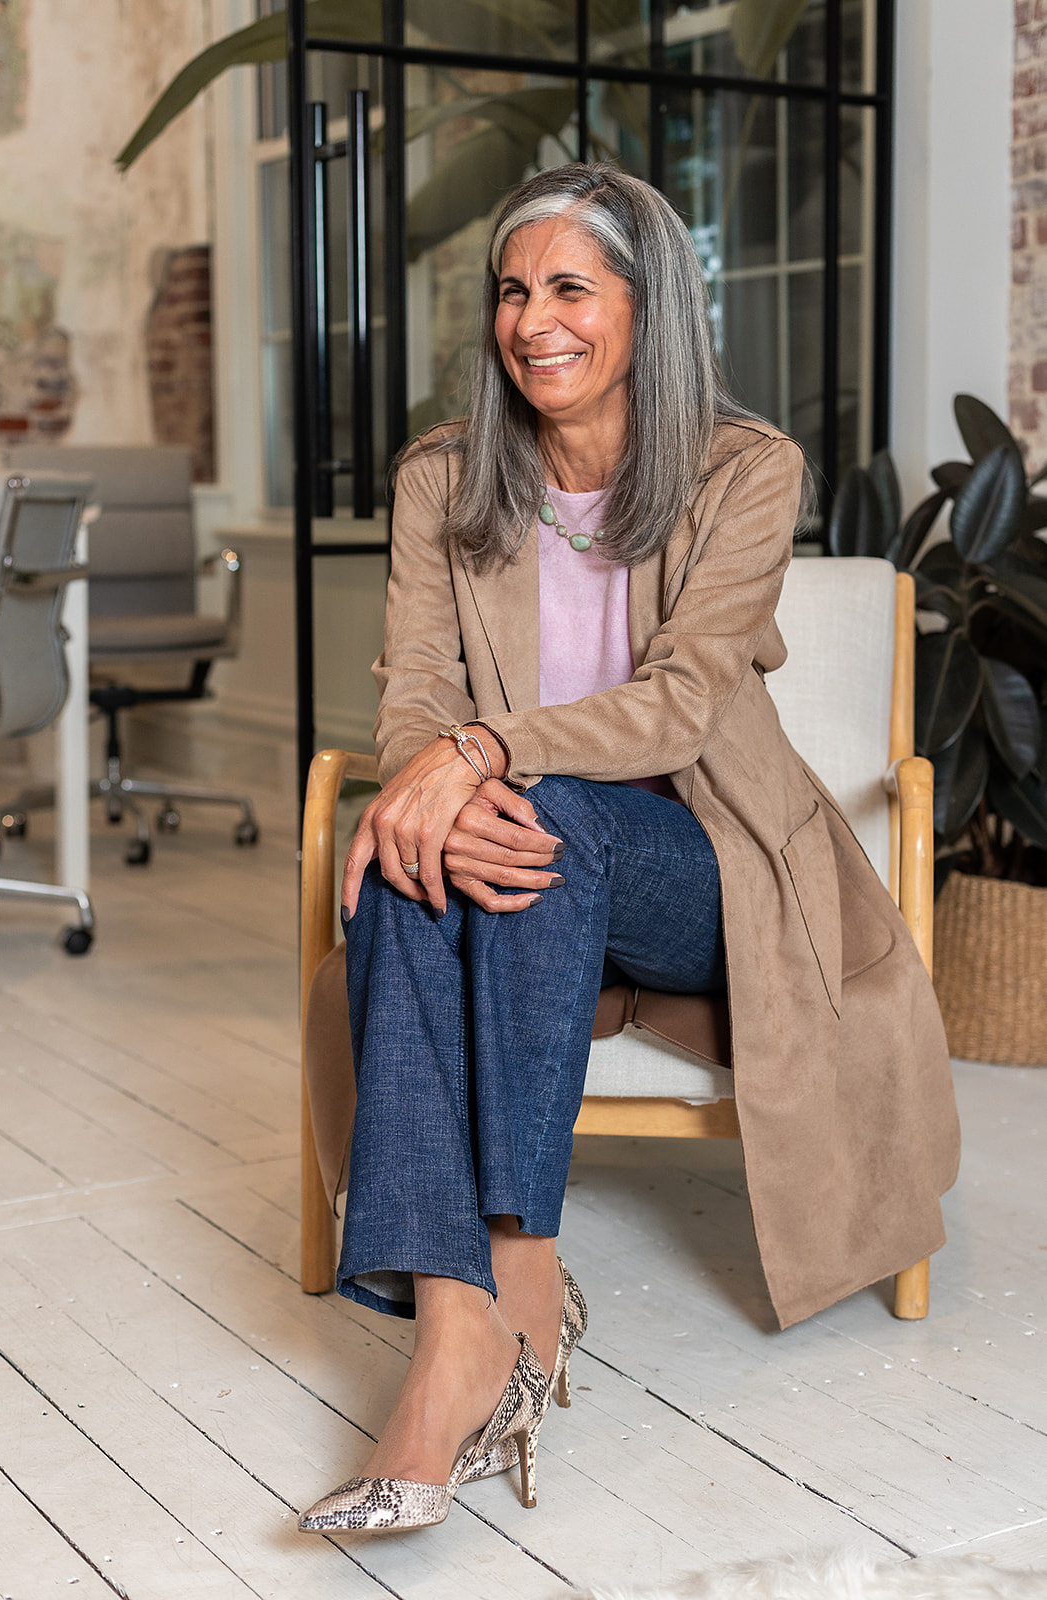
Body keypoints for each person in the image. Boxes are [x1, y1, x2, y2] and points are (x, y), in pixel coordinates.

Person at [299, 164, 959, 1536]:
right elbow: (416, 691)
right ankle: (456, 1339)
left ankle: (518, 1268)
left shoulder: (741, 467)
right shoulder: (443, 478)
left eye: (571, 289)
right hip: (535, 854)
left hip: (705, 868)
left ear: (645, 309)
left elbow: (682, 699)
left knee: (511, 816)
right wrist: (437, 772)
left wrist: (481, 757)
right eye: (513, 290)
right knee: (425, 858)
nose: (534, 320)